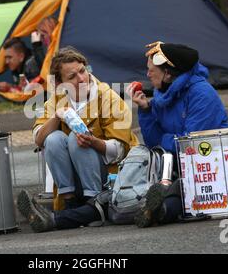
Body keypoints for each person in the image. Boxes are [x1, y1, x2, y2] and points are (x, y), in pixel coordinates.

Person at [17, 46, 139, 232]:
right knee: (53, 138)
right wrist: (57, 117)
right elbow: (38, 139)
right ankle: (70, 203)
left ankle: (92, 203)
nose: (81, 79)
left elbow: (120, 151)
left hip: (110, 178)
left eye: (83, 71)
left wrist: (93, 142)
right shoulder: (57, 99)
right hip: (75, 180)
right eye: (72, 77)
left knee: (76, 139)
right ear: (59, 83)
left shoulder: (109, 97)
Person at [128, 41, 228, 228]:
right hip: (175, 164)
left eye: (152, 70)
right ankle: (149, 207)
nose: (148, 74)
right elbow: (153, 143)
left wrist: (164, 139)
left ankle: (160, 209)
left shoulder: (202, 94)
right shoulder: (162, 94)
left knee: (179, 192)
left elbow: (189, 145)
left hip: (208, 168)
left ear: (167, 73)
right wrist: (145, 110)